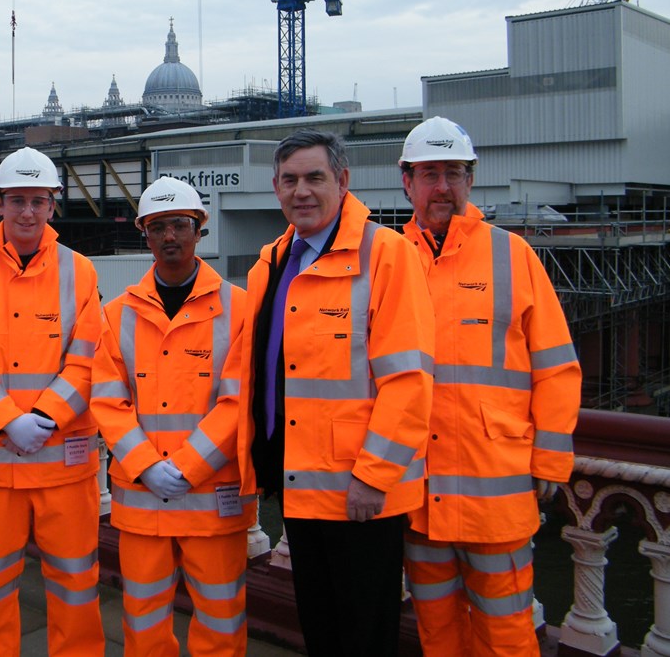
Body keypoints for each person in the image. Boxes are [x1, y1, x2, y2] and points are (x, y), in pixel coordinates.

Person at [238, 127, 435, 657]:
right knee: (320, 626)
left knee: (364, 633)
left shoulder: (386, 254)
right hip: (298, 482)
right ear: (276, 189)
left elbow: (408, 379)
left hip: (359, 494)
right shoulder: (274, 260)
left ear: (343, 181)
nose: (301, 191)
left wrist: (374, 477)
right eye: (289, 180)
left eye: (314, 178)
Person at [397, 116, 582, 657]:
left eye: (454, 173)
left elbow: (556, 367)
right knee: (437, 631)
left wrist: (548, 462)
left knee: (508, 634)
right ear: (406, 182)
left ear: (471, 180)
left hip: (494, 491)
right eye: (429, 174)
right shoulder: (388, 258)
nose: (442, 187)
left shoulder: (513, 255)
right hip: (418, 494)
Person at [0, 146, 106, 656]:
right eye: (17, 200)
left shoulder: (80, 272)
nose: (28, 212)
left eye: (38, 201)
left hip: (64, 465)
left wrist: (42, 417)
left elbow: (87, 357)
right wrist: (7, 422)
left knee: (75, 585)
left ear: (53, 205)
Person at [92, 176, 255, 656]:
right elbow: (107, 398)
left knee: (221, 622)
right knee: (142, 622)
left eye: (180, 225)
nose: (169, 237)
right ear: (144, 233)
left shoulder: (240, 309)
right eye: (158, 226)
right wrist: (146, 464)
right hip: (144, 502)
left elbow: (239, 398)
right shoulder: (117, 314)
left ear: (199, 229)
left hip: (212, 498)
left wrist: (185, 467)